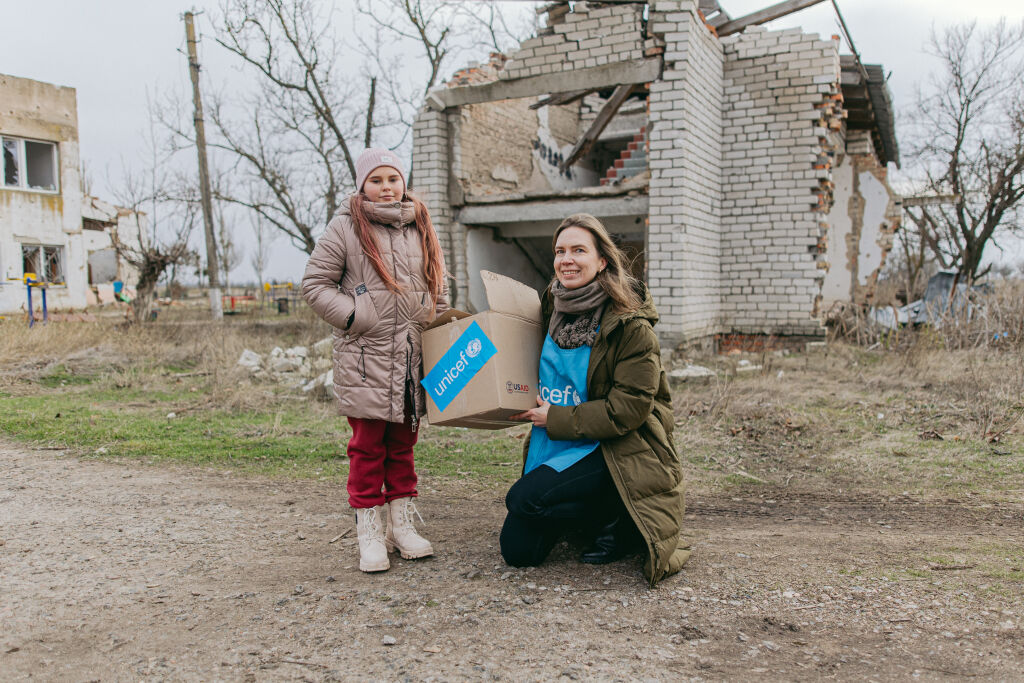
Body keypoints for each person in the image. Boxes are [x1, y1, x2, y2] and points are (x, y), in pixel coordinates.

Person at [504, 214, 690, 586]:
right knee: (518, 552)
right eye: (560, 251)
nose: (566, 259)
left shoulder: (630, 325)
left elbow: (629, 409)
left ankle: (615, 514)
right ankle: (591, 515)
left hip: (615, 445)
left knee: (523, 499)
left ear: (602, 260)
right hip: (558, 436)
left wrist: (553, 417)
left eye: (578, 250)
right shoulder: (550, 307)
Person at [302, 148, 448, 573]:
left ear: (404, 182)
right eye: (376, 181)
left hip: (410, 360)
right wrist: (355, 314)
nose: (386, 188)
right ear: (362, 185)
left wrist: (439, 331)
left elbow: (436, 290)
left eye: (393, 179)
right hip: (365, 358)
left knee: (403, 446)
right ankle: (369, 531)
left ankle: (400, 526)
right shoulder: (346, 226)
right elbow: (315, 284)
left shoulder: (421, 225)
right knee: (367, 447)